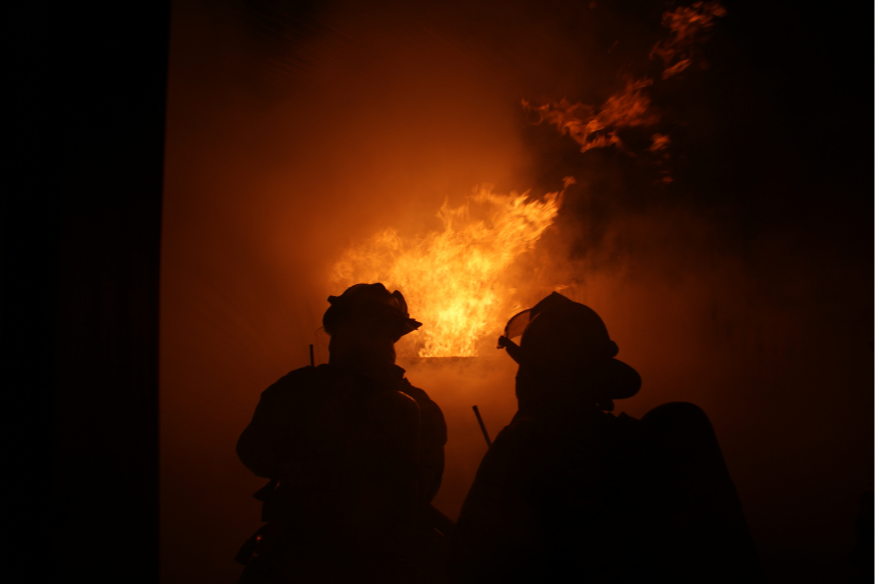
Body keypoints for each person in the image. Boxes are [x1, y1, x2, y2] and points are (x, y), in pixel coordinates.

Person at [448, 292, 763, 583]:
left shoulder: (524, 445)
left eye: (524, 371)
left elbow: (475, 561)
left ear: (535, 377)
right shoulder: (640, 442)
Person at [235, 283, 448, 583]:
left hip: (303, 562)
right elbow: (426, 486)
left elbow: (254, 455)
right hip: (382, 567)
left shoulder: (299, 389)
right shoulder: (421, 405)